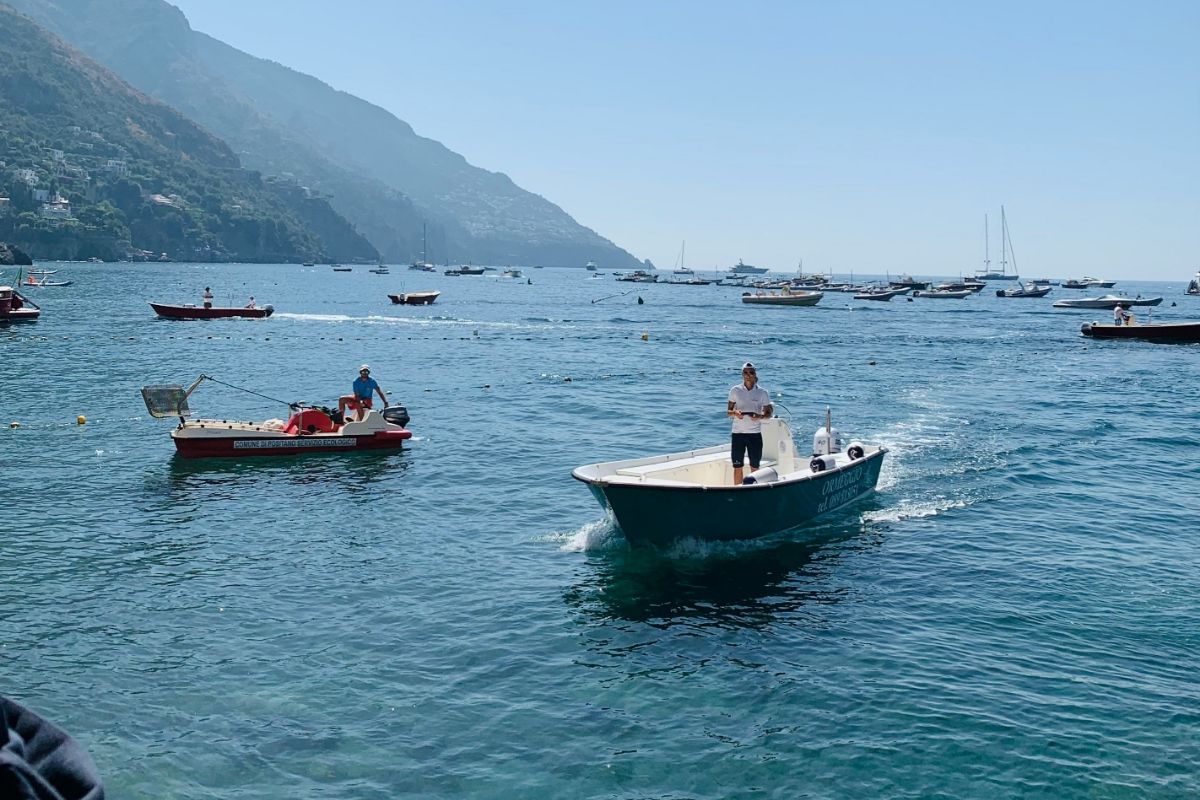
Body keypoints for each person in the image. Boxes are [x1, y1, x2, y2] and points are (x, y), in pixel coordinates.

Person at [726, 361, 773, 485]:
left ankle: (754, 491)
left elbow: (769, 413)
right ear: (742, 374)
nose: (748, 375)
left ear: (755, 374)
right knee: (737, 466)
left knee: (755, 467)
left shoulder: (762, 392)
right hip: (738, 434)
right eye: (745, 372)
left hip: (754, 434)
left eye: (751, 372)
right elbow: (729, 411)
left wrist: (759, 416)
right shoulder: (735, 390)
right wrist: (735, 413)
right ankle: (737, 491)